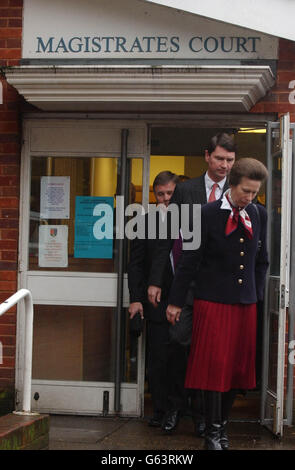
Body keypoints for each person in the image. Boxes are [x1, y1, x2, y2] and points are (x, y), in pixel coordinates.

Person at [166, 158, 269, 450]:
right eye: (245, 191)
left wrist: (256, 292)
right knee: (214, 368)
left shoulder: (258, 214)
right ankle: (211, 435)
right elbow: (188, 261)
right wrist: (175, 302)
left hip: (245, 303)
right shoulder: (206, 213)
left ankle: (223, 430)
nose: (249, 198)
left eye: (254, 192)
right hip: (212, 302)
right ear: (232, 184)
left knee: (236, 369)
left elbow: (263, 260)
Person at [147, 132, 236, 435]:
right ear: (207, 156)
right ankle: (174, 405)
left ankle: (201, 413)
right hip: (184, 285)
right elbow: (167, 237)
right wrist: (157, 280)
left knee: (208, 351)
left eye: (230, 160)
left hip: (219, 289)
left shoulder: (236, 192)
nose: (224, 165)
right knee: (178, 342)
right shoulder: (186, 191)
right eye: (220, 158)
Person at [127, 170, 188, 429]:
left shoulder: (192, 221)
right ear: (154, 196)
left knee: (184, 358)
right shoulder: (146, 222)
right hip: (156, 302)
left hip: (186, 300)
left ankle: (187, 411)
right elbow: (137, 264)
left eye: (170, 194)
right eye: (160, 194)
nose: (165, 199)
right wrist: (135, 299)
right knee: (158, 361)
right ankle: (162, 411)